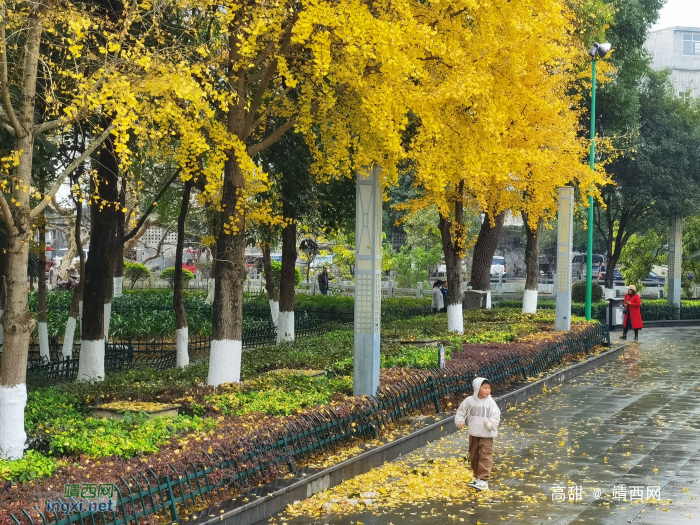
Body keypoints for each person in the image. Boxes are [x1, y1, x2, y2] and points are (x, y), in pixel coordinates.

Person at [455, 377, 501, 491]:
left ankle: (484, 480)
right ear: (477, 389)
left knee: (485, 455)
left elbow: (496, 416)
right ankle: (477, 477)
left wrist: (490, 424)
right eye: (485, 388)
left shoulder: (491, 403)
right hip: (474, 433)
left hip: (487, 434)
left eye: (489, 388)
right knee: (474, 455)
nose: (488, 390)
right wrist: (459, 422)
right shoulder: (470, 401)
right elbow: (461, 412)